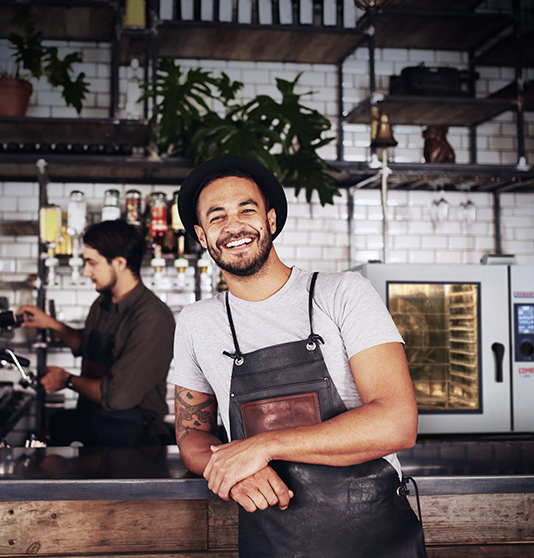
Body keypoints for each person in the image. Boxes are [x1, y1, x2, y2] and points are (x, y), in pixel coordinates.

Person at [169, 155, 428, 557]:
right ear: (202, 237)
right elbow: (190, 434)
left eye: (246, 209)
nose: (233, 225)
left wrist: (262, 446)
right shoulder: (197, 323)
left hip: (376, 540)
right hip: (271, 541)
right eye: (217, 217)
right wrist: (225, 471)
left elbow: (397, 422)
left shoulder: (342, 293)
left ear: (271, 220)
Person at [20, 219, 175, 447]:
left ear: (120, 263)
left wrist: (67, 380)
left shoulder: (152, 318)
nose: (85, 272)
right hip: (94, 425)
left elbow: (118, 396)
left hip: (132, 438)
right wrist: (50, 323)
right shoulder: (103, 302)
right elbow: (87, 345)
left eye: (91, 263)